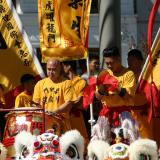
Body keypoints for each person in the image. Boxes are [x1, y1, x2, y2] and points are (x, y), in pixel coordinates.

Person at [32, 58, 77, 134]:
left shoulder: (67, 83)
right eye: (49, 69)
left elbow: (69, 104)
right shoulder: (40, 84)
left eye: (54, 69)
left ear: (60, 69)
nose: (51, 72)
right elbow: (36, 104)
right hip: (44, 123)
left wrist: (52, 113)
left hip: (61, 123)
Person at [95, 46, 136, 128]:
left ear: (118, 59)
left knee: (124, 139)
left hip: (123, 114)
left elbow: (128, 97)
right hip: (106, 113)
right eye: (107, 63)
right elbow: (98, 97)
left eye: (111, 62)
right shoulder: (104, 74)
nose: (109, 65)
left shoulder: (128, 74)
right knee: (103, 140)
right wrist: (101, 90)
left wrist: (115, 87)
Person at [127, 49, 153, 139]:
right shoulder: (125, 75)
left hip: (143, 114)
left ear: (140, 61)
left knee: (146, 139)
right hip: (128, 113)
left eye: (132, 60)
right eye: (128, 60)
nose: (129, 63)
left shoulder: (147, 75)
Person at [62, 60, 89, 141]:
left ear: (69, 67)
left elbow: (78, 101)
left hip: (76, 116)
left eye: (62, 66)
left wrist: (64, 104)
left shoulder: (81, 82)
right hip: (63, 116)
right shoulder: (62, 81)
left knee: (78, 141)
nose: (60, 69)